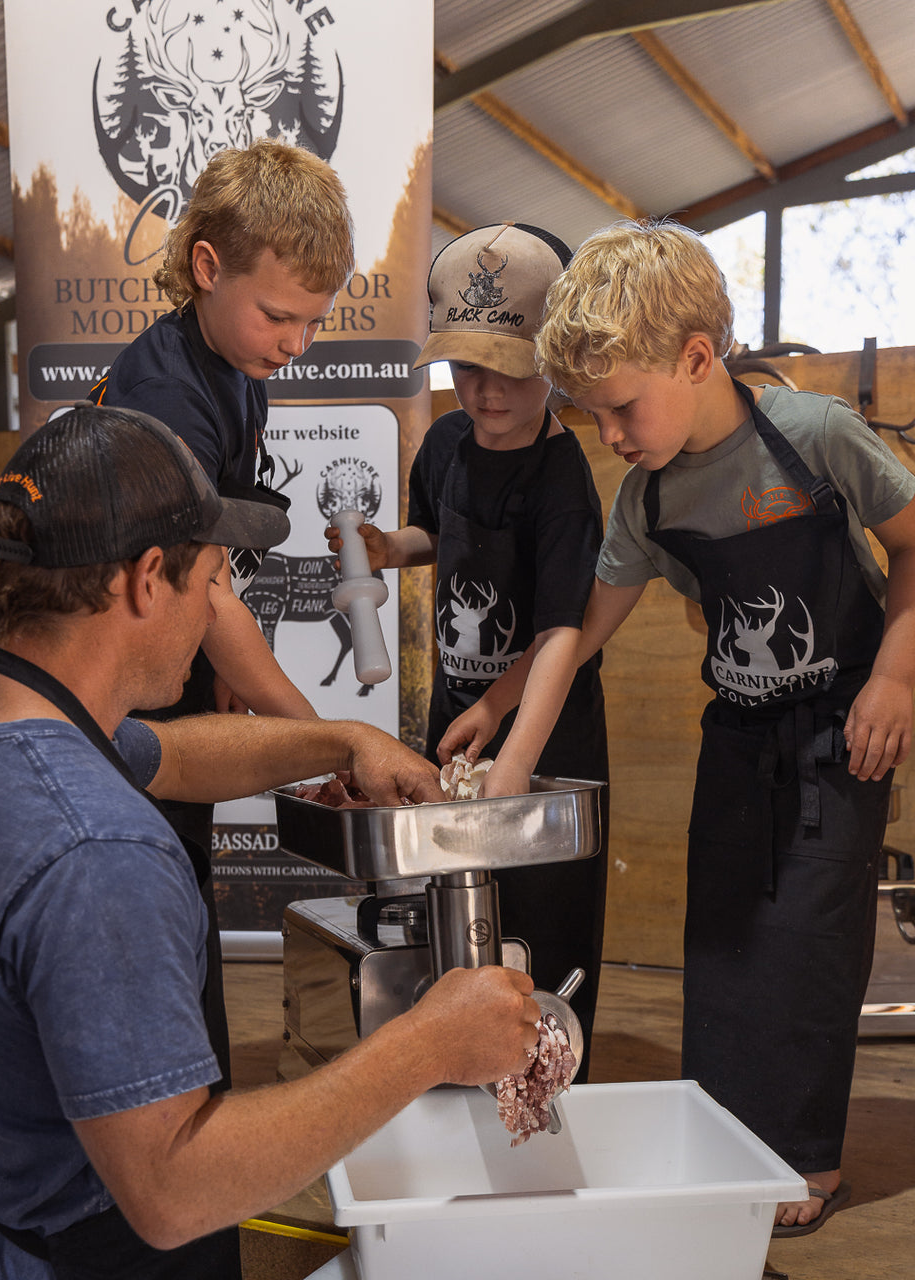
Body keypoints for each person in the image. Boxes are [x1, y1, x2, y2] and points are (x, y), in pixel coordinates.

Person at [0, 404, 542, 1280]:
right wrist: (431, 1043)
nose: (213, 610)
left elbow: (169, 754)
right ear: (144, 580)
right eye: (212, 580)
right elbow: (175, 1191)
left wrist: (341, 739)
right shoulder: (99, 854)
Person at [534, 217, 915, 1236]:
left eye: (621, 407)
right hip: (738, 738)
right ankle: (724, 1141)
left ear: (696, 357)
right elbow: (579, 635)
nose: (610, 436)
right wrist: (504, 734)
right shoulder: (647, 499)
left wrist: (894, 677)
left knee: (808, 942)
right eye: (592, 415)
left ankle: (806, 1158)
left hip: (843, 729)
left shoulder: (817, 435)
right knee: (724, 942)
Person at [326, 222, 609, 1063]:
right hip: (458, 716)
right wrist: (390, 548)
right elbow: (433, 532)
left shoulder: (563, 484)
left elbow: (563, 633)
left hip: (543, 729)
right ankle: (453, 1059)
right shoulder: (448, 441)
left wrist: (511, 754)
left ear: (553, 361)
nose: (485, 391)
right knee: (454, 905)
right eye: (466, 368)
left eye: (509, 369)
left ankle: (543, 1070)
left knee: (541, 914)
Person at [88, 138, 356, 854]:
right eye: (277, 316)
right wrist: (330, 744)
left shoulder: (237, 366)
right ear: (207, 267)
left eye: (315, 321)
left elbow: (217, 550)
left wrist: (226, 663)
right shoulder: (168, 395)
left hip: (177, 654)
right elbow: (202, 593)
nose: (297, 344)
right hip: (123, 684)